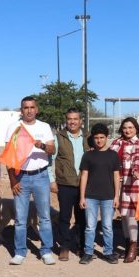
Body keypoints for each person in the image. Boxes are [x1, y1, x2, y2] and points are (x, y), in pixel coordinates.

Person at [6, 96, 56, 265]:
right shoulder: (14, 128)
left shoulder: (44, 126)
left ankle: (46, 251)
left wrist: (42, 146)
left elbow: (52, 149)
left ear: (37, 109)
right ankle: (20, 252)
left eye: (32, 107)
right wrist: (13, 180)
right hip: (21, 177)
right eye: (25, 107)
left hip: (41, 176)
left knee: (45, 217)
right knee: (20, 218)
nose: (29, 110)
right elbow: (9, 157)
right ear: (21, 110)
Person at [49, 107, 89, 261]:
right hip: (65, 184)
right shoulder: (59, 137)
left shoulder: (88, 137)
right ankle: (64, 246)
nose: (72, 122)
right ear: (66, 120)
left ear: (81, 121)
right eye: (69, 119)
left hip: (84, 185)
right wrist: (52, 180)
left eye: (75, 119)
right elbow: (49, 161)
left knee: (82, 218)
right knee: (65, 217)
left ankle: (82, 246)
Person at [78, 123, 121, 264]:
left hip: (108, 197)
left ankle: (108, 252)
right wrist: (82, 197)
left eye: (102, 137)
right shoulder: (88, 155)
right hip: (90, 197)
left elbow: (116, 176)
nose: (99, 140)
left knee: (107, 226)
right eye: (96, 138)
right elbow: (84, 176)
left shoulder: (113, 155)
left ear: (107, 137)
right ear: (93, 138)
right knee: (90, 227)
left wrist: (116, 196)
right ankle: (88, 252)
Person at [108, 117, 139, 263]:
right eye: (125, 128)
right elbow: (108, 158)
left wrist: (136, 170)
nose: (127, 130)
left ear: (136, 129)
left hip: (131, 183)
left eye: (130, 127)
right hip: (115, 183)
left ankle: (134, 245)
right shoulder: (116, 142)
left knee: (131, 215)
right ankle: (127, 243)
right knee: (123, 215)